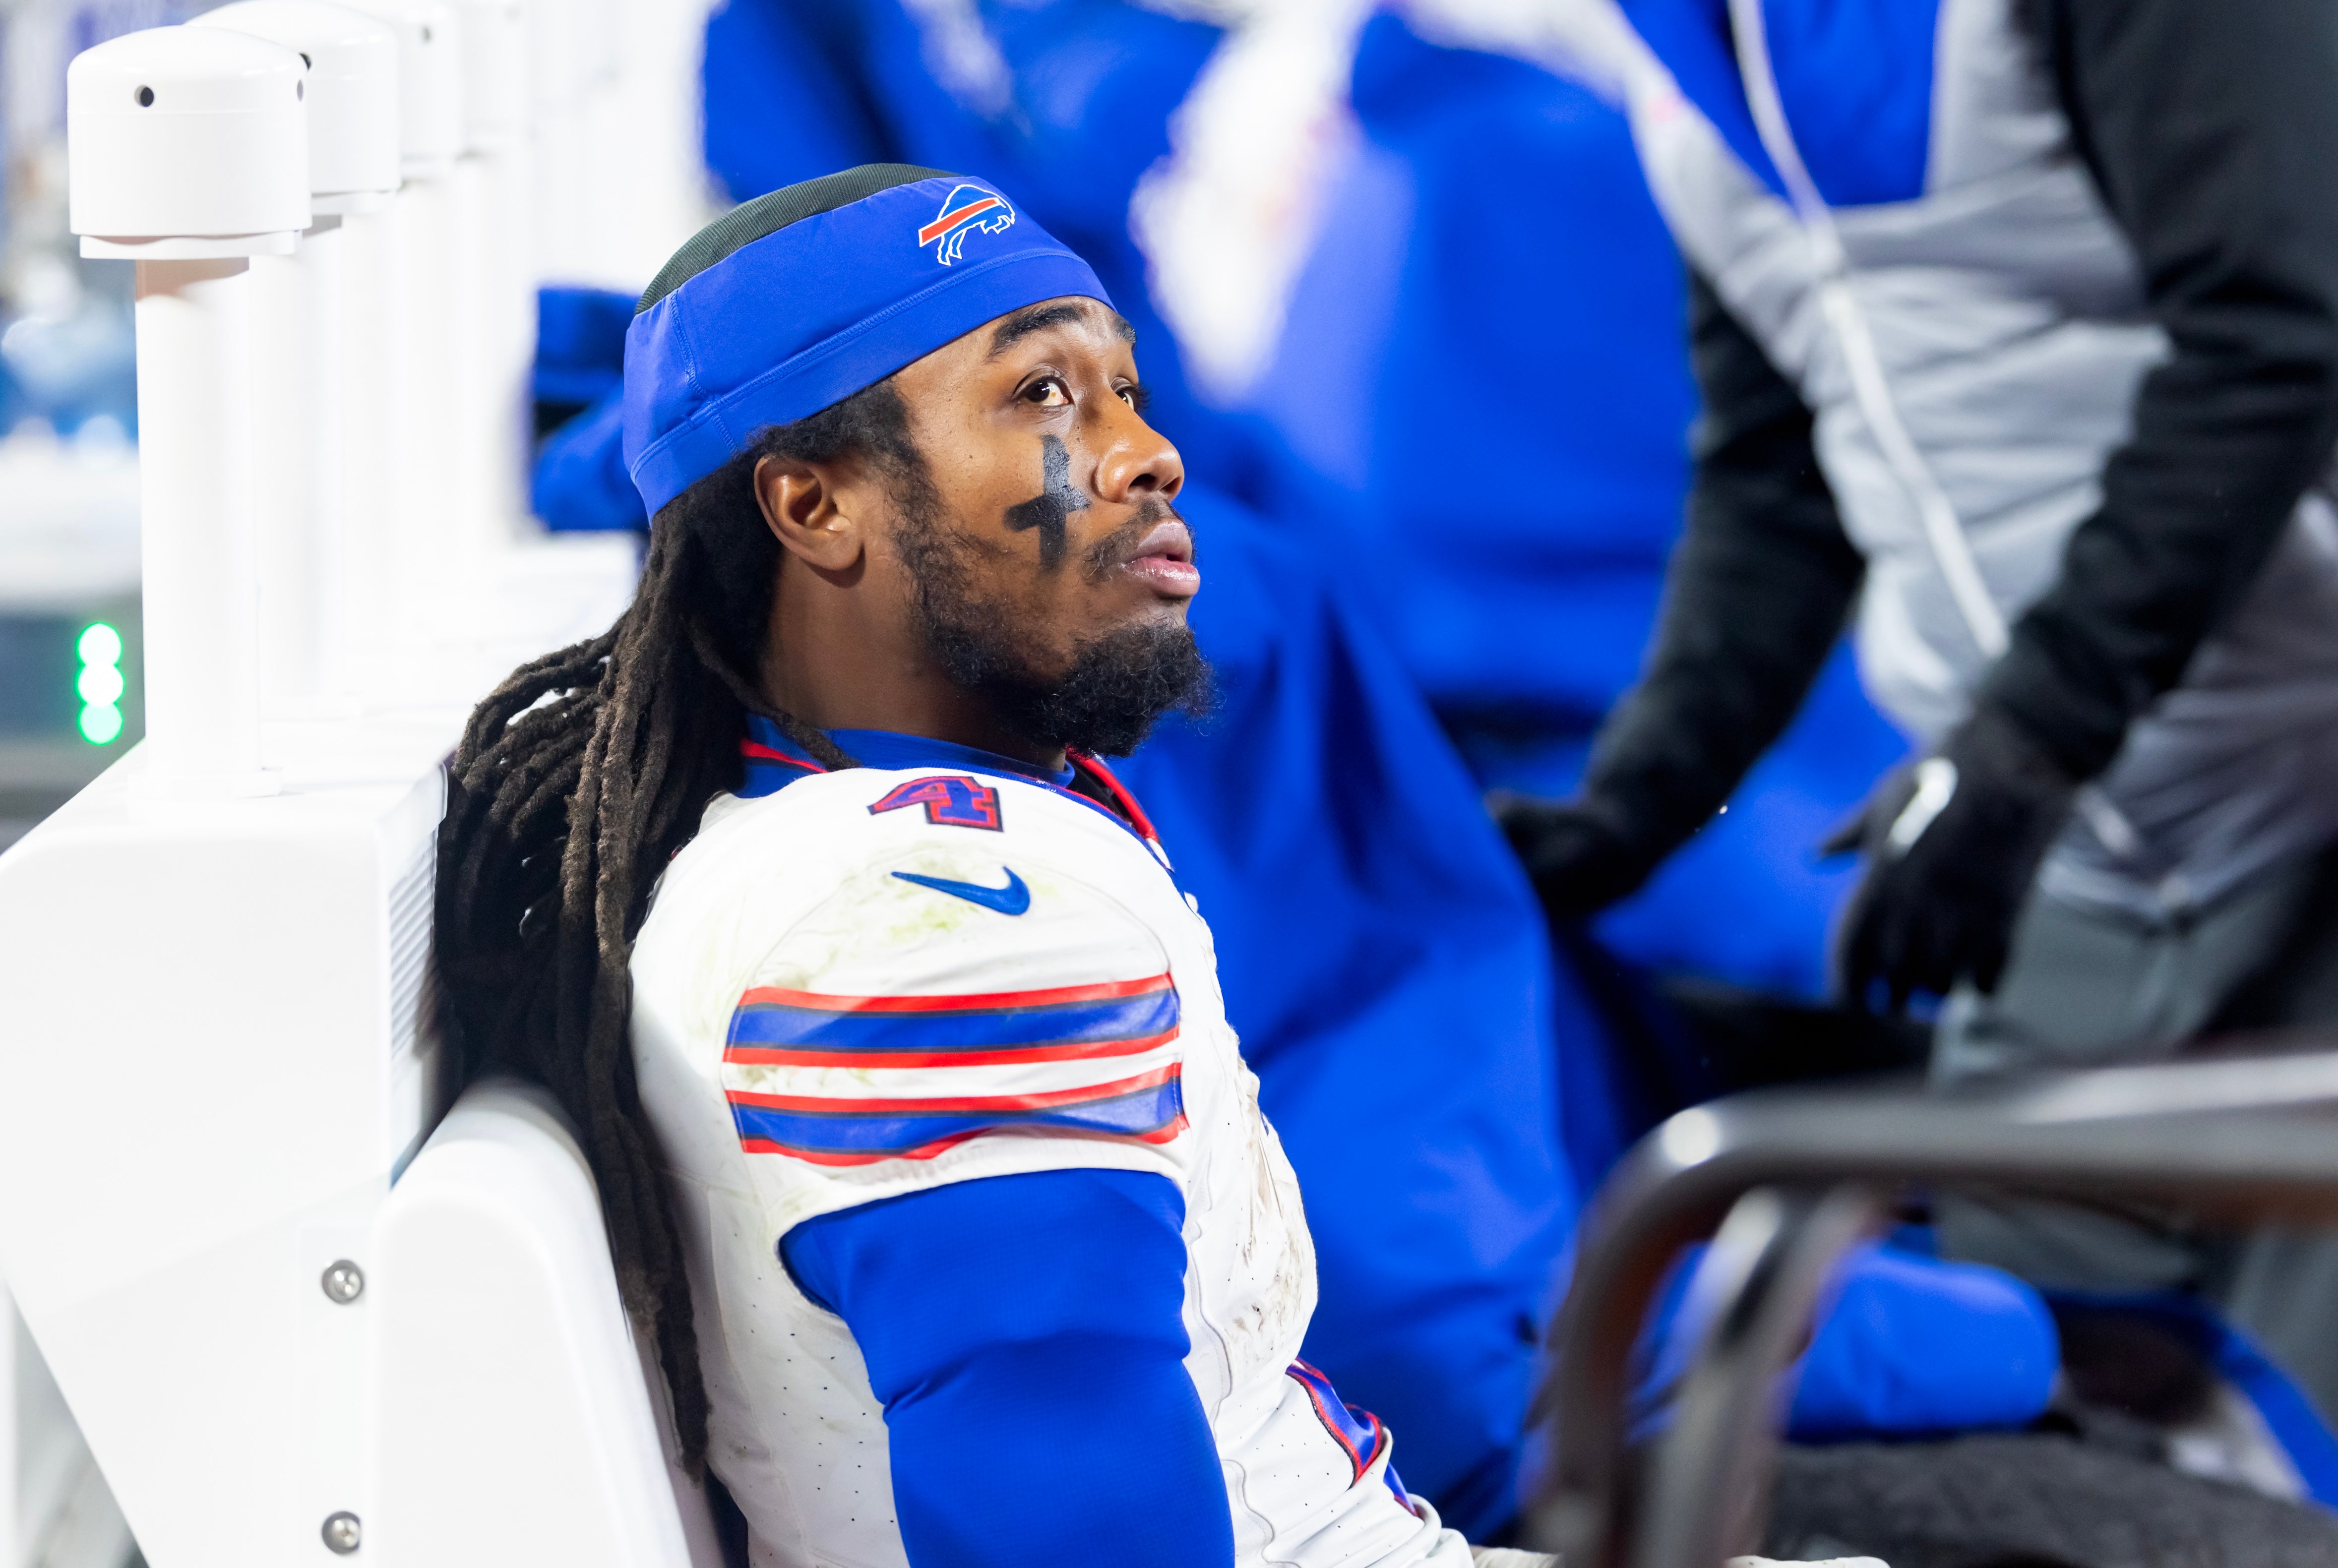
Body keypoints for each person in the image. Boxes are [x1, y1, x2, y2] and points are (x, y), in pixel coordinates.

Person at [437, 163, 1620, 1568]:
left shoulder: (824, 831)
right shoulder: (937, 922)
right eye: (1042, 395)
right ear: (813, 507)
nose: (1144, 451)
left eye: (1124, 388)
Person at [1500, 0, 2338, 1405]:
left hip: (2292, 769)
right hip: (2080, 831)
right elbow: (1778, 461)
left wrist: (2025, 742)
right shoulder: (1684, 52)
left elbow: (2276, 328)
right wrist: (1640, 797)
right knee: (2055, 1386)